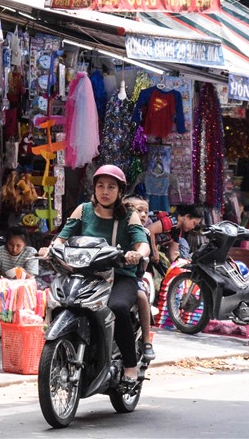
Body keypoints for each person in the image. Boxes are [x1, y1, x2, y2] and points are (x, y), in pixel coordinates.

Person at [48, 165, 150, 385]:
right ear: (93, 188)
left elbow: (143, 244)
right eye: (100, 186)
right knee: (63, 301)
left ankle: (130, 366)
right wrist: (51, 249)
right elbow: (61, 239)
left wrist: (136, 253)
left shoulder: (129, 216)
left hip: (120, 276)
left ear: (120, 191)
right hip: (84, 275)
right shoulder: (82, 211)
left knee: (118, 307)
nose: (105, 191)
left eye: (111, 187)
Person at [123, 195, 156, 362]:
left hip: (134, 276)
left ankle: (146, 340)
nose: (143, 215)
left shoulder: (145, 233)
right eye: (138, 211)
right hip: (108, 274)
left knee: (141, 297)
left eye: (146, 212)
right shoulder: (121, 227)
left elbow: (151, 254)